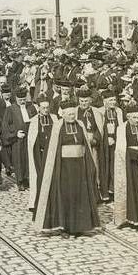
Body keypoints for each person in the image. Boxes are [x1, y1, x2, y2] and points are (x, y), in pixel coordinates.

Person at [32, 101, 101, 238]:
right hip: (64, 170)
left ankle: (79, 226)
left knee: (79, 196)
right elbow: (53, 152)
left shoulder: (80, 125)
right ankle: (65, 227)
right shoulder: (58, 127)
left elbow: (86, 146)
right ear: (62, 114)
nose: (72, 116)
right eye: (69, 114)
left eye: (73, 114)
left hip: (80, 168)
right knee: (66, 197)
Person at [2, 87, 38, 191]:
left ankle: (27, 178)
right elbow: (5, 126)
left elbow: (36, 119)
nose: (22, 102)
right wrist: (15, 134)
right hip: (18, 139)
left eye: (23, 100)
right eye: (20, 100)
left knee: (29, 158)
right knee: (19, 159)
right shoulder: (11, 109)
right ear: (16, 99)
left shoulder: (31, 107)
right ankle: (20, 181)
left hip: (29, 136)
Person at [27, 94, 58, 212]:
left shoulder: (54, 118)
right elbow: (32, 140)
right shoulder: (34, 121)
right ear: (38, 108)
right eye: (43, 108)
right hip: (40, 154)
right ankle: (38, 202)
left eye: (47, 107)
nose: (45, 110)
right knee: (40, 177)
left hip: (52, 153)